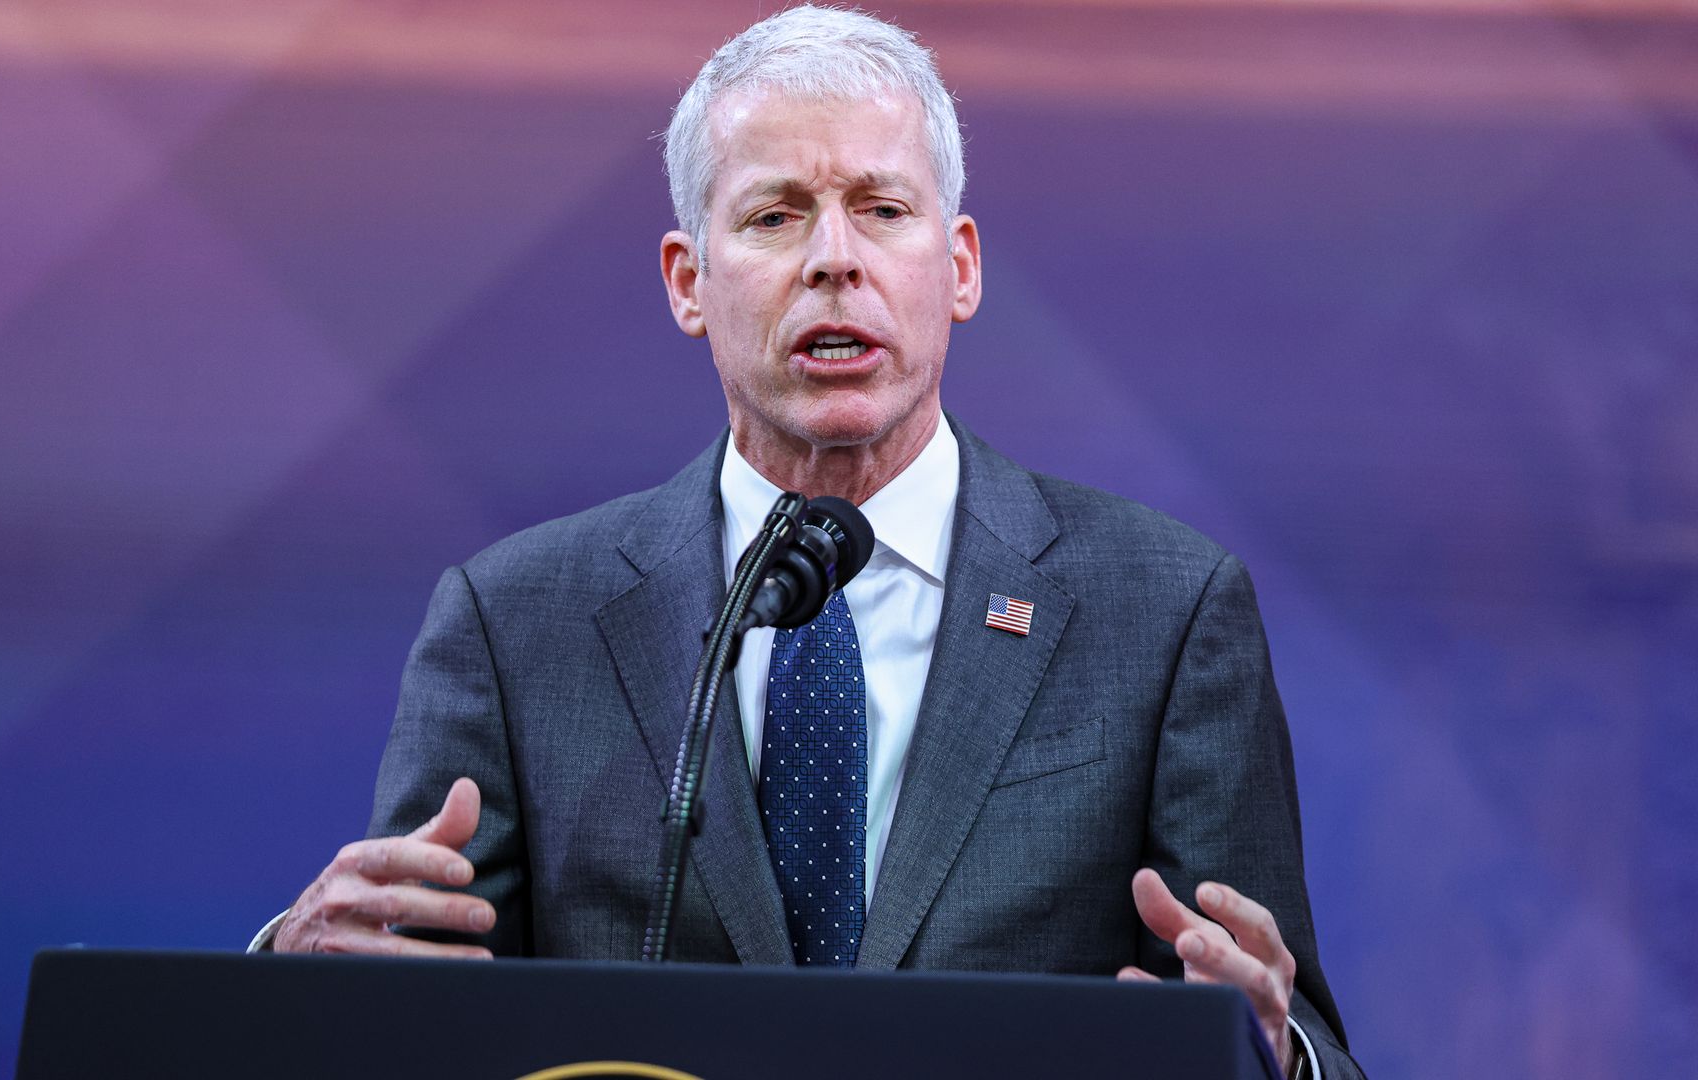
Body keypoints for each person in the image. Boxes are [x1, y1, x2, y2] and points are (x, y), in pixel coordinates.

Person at [259, 7, 1362, 1078]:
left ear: (961, 267)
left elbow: (1292, 1035)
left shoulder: (1161, 612)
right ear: (690, 283)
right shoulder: (517, 626)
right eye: (775, 216)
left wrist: (1275, 1056)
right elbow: (399, 1016)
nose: (835, 259)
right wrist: (295, 985)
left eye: (882, 208)